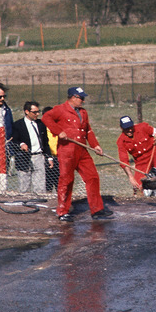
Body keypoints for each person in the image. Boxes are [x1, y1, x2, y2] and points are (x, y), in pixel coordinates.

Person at [42, 87, 113, 221]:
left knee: (92, 177)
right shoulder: (60, 109)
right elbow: (46, 118)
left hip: (82, 150)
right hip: (67, 150)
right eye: (81, 98)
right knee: (66, 180)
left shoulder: (83, 112)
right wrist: (58, 131)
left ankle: (97, 210)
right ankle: (62, 212)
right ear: (73, 97)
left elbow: (88, 131)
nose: (83, 101)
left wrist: (95, 145)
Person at [12, 100, 54, 194]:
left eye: (38, 112)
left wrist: (49, 157)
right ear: (27, 111)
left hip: (38, 156)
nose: (37, 114)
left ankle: (40, 203)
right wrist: (21, 144)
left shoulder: (41, 124)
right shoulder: (18, 125)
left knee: (40, 186)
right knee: (24, 186)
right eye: (34, 112)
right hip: (24, 157)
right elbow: (14, 140)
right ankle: (24, 203)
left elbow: (45, 142)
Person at [116, 115, 156, 192]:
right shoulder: (121, 141)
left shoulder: (142, 127)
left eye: (130, 127)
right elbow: (124, 161)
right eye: (126, 129)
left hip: (154, 154)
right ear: (121, 128)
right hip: (141, 162)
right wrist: (131, 177)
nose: (130, 130)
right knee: (138, 188)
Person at [41, 106, 59, 192]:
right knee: (48, 184)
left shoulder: (59, 129)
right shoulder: (42, 130)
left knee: (59, 183)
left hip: (59, 158)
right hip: (46, 159)